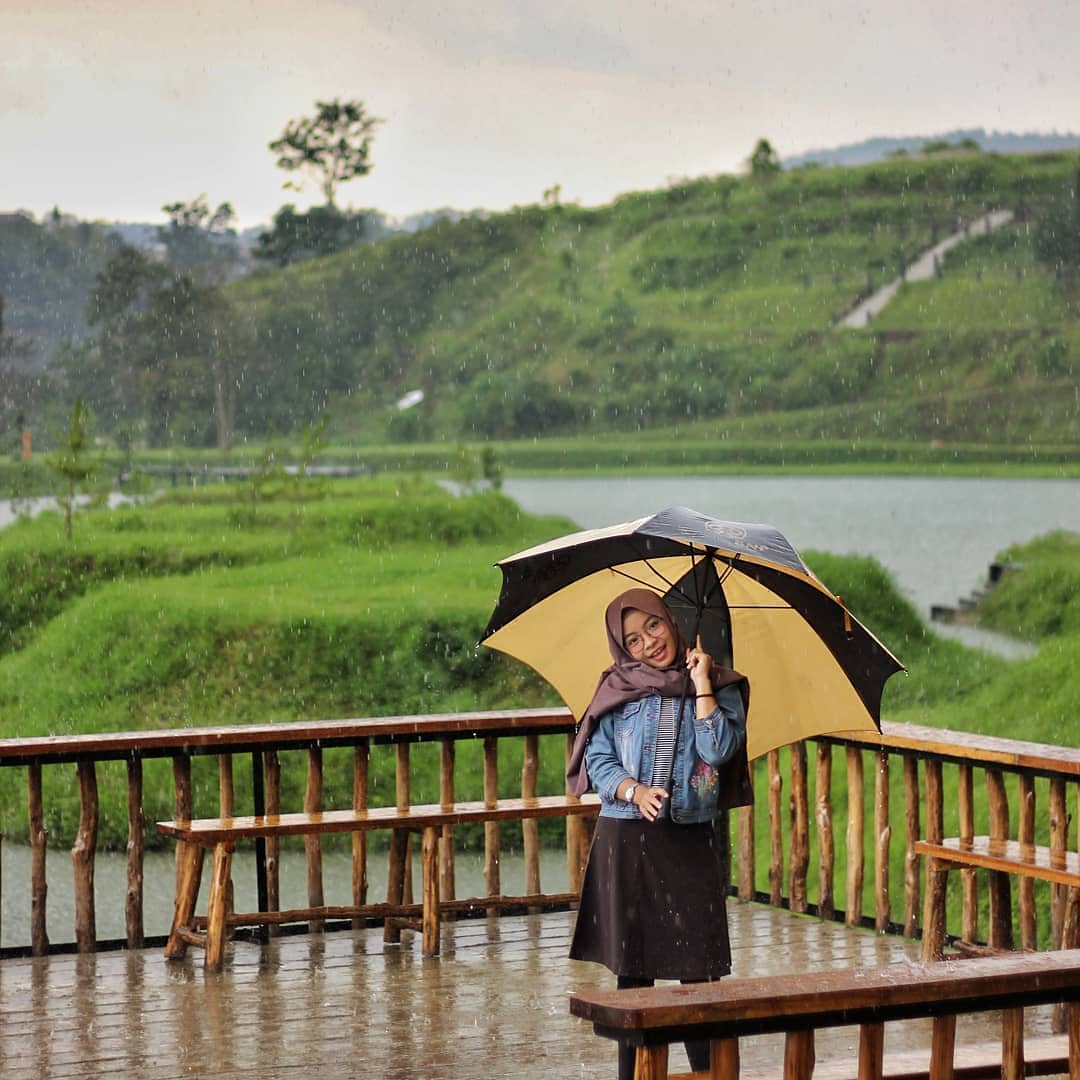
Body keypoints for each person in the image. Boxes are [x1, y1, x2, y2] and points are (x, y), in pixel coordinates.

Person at [566, 588, 750, 1080]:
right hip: (628, 840)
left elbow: (719, 750)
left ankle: (709, 1076)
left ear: (671, 622)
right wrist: (634, 791)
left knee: (698, 974)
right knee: (635, 973)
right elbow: (597, 758)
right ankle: (633, 1076)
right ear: (622, 646)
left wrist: (702, 683)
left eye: (653, 626)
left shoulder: (719, 684)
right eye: (633, 638)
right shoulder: (616, 686)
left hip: (688, 842)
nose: (648, 642)